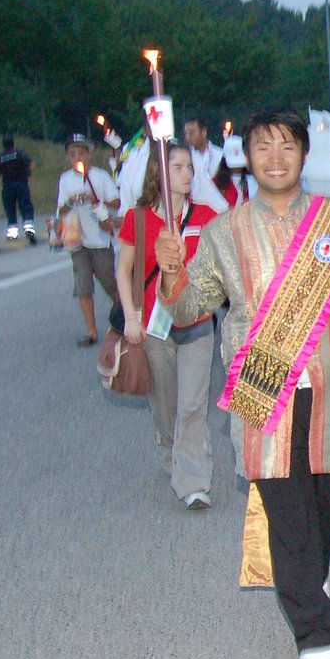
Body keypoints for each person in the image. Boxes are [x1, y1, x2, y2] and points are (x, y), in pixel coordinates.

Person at [155, 109, 330, 659]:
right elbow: (189, 306)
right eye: (263, 147)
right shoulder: (225, 232)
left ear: (303, 154)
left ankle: (307, 570)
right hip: (261, 388)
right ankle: (314, 629)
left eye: (287, 146)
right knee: (286, 512)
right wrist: (170, 274)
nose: (275, 157)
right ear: (247, 156)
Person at [116, 141, 219, 510]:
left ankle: (193, 483)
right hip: (153, 329)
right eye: (178, 167)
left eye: (190, 167)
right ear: (160, 172)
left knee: (192, 406)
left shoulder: (207, 217)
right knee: (165, 407)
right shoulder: (138, 219)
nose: (188, 173)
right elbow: (123, 270)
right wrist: (131, 317)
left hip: (197, 324)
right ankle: (168, 449)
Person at [56, 134, 121, 346]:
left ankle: (125, 319)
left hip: (100, 239)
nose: (77, 158)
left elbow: (116, 202)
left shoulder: (100, 177)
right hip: (77, 240)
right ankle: (91, 331)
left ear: (88, 154)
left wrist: (95, 200)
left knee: (109, 282)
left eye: (81, 153)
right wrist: (70, 201)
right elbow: (61, 209)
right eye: (73, 154)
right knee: (83, 285)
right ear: (67, 157)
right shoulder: (65, 180)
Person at [0, 136, 36, 243]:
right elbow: (31, 164)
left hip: (7, 185)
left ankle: (12, 234)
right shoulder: (20, 153)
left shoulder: (0, 157)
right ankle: (29, 229)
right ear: (13, 143)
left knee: (10, 208)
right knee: (26, 206)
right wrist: (27, 173)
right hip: (21, 183)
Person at [181, 118, 230, 212]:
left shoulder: (219, 155)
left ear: (203, 132)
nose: (187, 137)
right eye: (185, 133)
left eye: (191, 133)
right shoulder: (185, 156)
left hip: (218, 210)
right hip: (192, 211)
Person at [213, 135, 255, 208]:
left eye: (240, 164)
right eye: (233, 165)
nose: (237, 168)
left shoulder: (254, 180)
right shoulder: (216, 183)